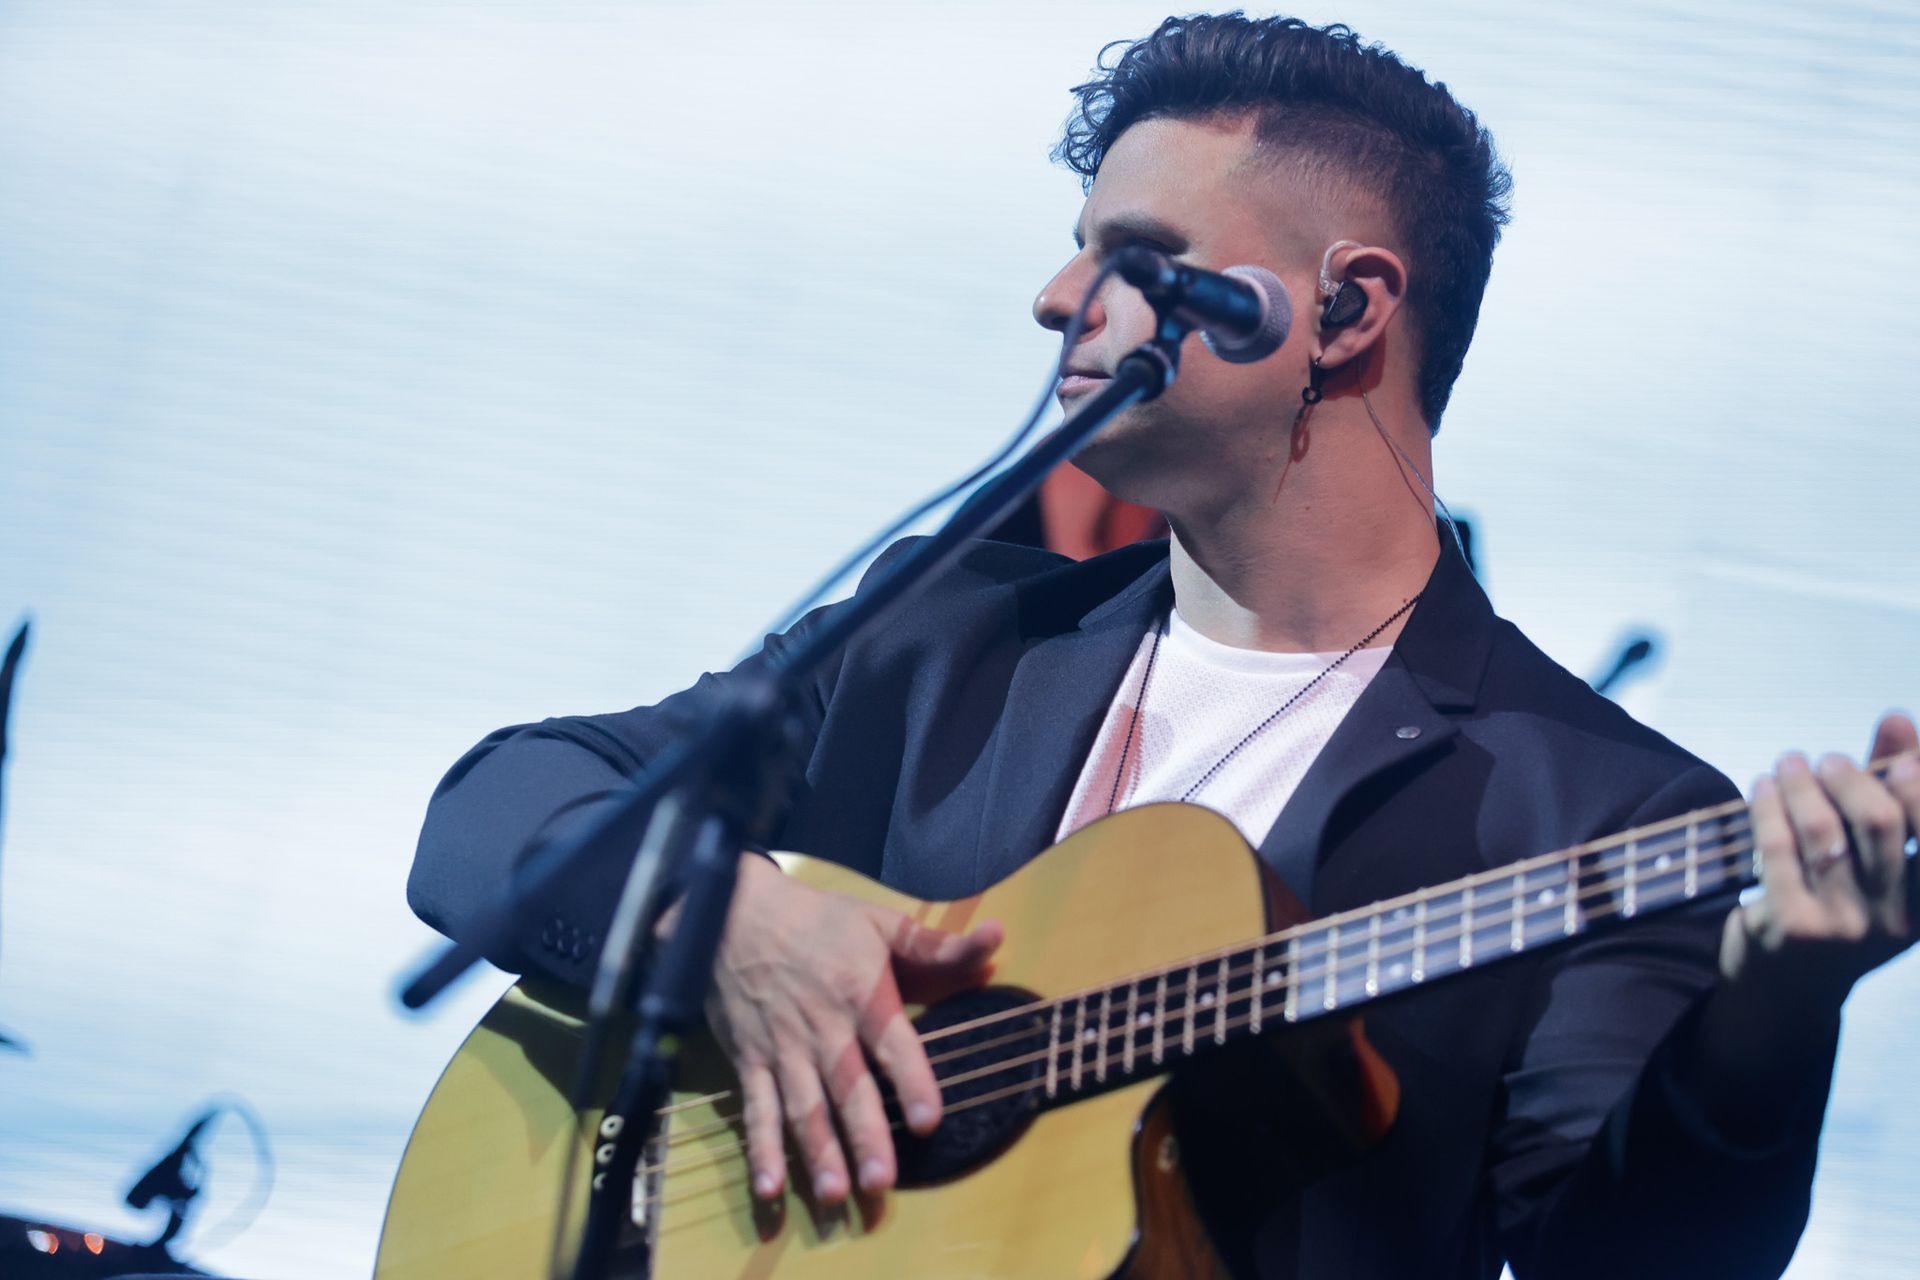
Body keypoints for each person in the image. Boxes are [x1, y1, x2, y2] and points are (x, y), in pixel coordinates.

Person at [407, 15, 1919, 1278]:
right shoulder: (947, 638)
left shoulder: (1605, 813)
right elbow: (493, 814)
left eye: (1132, 254)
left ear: (1342, 309)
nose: (1055, 297)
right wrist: (730, 929)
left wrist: (1778, 1007)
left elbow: (1634, 1256)